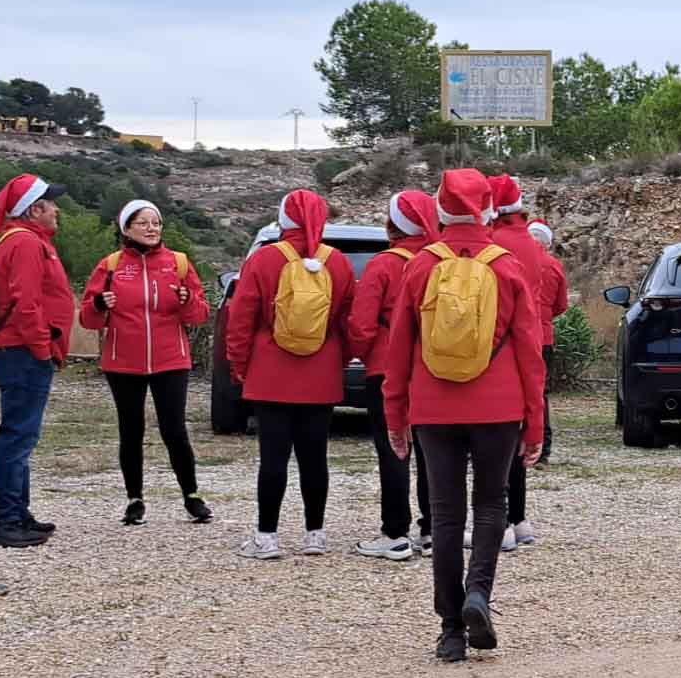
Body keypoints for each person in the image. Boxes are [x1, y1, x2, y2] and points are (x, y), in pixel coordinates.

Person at [385, 169, 547, 663]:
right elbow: (529, 351)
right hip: (497, 404)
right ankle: (479, 593)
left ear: (439, 210)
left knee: (446, 512)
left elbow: (398, 350)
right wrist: (534, 421)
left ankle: (450, 630)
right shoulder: (508, 266)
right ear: (486, 210)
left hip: (434, 407)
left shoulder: (420, 266)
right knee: (491, 505)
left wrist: (397, 415)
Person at [225, 189, 355, 560]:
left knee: (273, 458)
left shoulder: (265, 260)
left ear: (283, 219)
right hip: (321, 373)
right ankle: (315, 534)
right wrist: (339, 358)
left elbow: (241, 320)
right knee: (316, 458)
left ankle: (267, 536)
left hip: (271, 373)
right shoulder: (339, 263)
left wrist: (240, 365)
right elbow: (349, 324)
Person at [79, 199, 213, 525]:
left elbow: (199, 315)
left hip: (171, 360)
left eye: (156, 223)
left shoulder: (178, 263)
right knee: (131, 431)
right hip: (123, 362)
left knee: (175, 430)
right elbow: (88, 319)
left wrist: (187, 300)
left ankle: (192, 496)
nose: (152, 229)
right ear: (126, 228)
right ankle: (134, 500)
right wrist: (99, 303)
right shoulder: (110, 266)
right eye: (143, 223)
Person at [346, 190, 440, 561]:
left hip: (386, 369)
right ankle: (434, 529)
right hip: (433, 369)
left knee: (393, 449)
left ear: (392, 225)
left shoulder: (383, 265)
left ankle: (395, 532)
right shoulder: (439, 261)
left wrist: (360, 351)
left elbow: (361, 324)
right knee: (433, 452)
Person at [0, 173, 75, 549]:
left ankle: (18, 513)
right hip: (24, 352)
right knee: (17, 438)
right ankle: (5, 521)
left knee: (22, 436)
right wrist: (42, 348)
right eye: (52, 204)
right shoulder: (25, 243)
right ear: (35, 209)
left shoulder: (24, 240)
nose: (57, 210)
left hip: (21, 351)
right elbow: (26, 303)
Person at [487, 175, 566, 550]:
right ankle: (518, 518)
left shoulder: (491, 244)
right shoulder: (536, 251)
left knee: (491, 441)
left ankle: (498, 522)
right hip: (531, 345)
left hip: (493, 353)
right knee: (518, 434)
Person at [528, 219, 570, 465]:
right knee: (540, 393)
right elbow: (561, 304)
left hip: (515, 336)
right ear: (547, 243)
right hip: (543, 336)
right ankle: (543, 449)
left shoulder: (514, 261)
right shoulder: (553, 266)